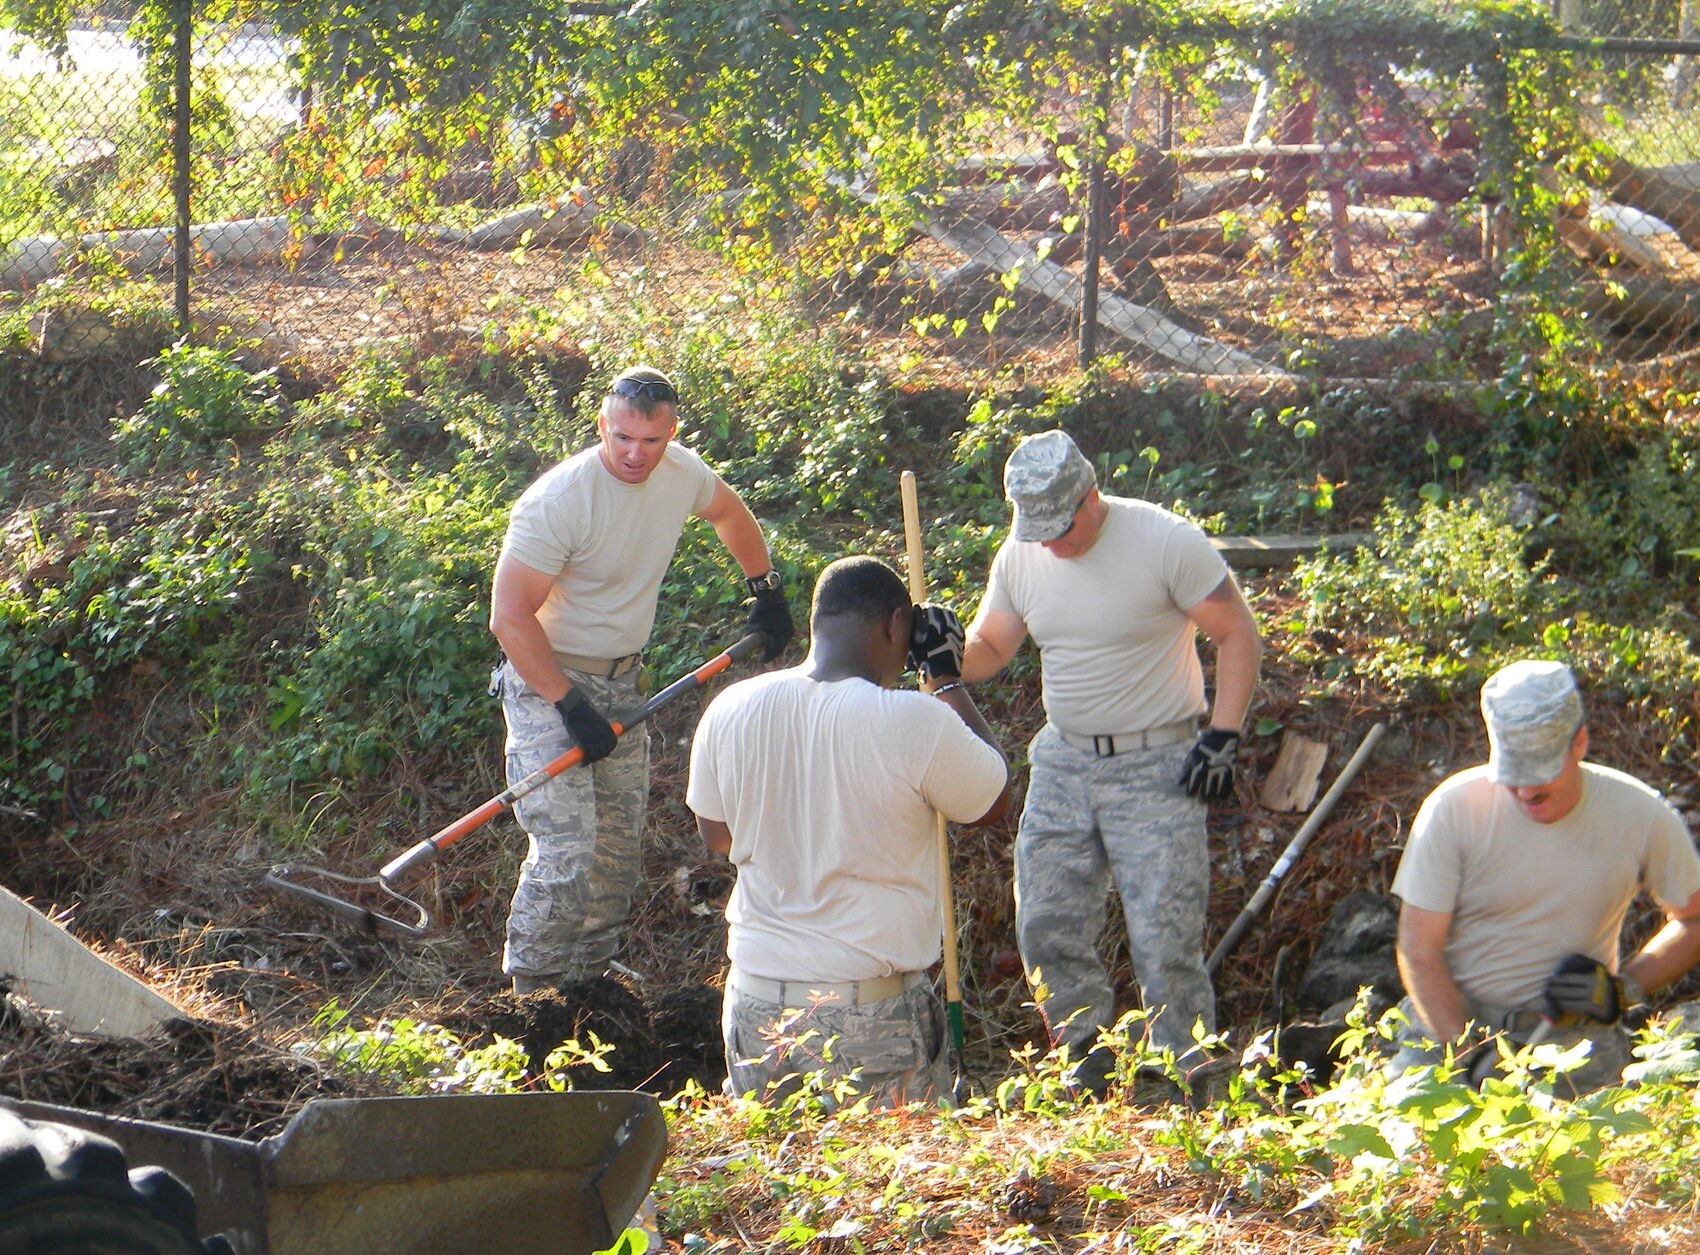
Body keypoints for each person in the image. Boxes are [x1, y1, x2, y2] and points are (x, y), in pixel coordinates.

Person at [958, 430, 1262, 1084]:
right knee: (1045, 915)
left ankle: (1189, 1074)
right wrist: (943, 647)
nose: (1050, 545)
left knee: (1165, 934)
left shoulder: (1163, 541)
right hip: (1065, 762)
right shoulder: (1022, 555)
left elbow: (1237, 633)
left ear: (1092, 497)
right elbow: (989, 647)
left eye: (1060, 529)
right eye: (1035, 531)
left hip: (1159, 764)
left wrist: (1223, 736)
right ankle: (1083, 1056)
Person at [489, 367, 794, 993]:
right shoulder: (558, 502)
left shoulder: (681, 472)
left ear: (671, 434)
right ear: (602, 425)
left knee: (615, 859)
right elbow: (509, 617)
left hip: (625, 683)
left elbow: (730, 512)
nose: (635, 454)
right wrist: (568, 705)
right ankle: (532, 997)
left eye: (651, 441)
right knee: (567, 856)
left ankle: (588, 985)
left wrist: (764, 588)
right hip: (548, 683)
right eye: (623, 437)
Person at [685, 556, 1012, 1109]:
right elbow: (993, 800)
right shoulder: (913, 719)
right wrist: (944, 676)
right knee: (886, 1190)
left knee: (777, 1184)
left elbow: (717, 835)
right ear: (893, 627)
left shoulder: (730, 707)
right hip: (867, 1012)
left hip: (756, 1001)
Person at [1391, 659, 1700, 1086]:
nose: (1527, 791)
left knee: (1593, 1148)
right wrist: (1467, 1056)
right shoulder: (1453, 809)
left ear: (1579, 743)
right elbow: (1419, 950)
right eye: (1513, 775)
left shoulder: (1639, 815)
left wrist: (1622, 991)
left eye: (1542, 774)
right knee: (1409, 1140)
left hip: (1574, 1038)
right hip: (1450, 1022)